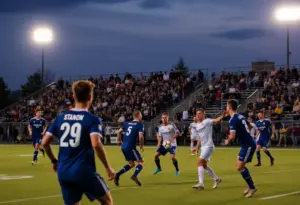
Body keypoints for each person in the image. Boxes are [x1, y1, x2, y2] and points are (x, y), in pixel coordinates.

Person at [42, 80, 115, 205]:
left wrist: (54, 161)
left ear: (73, 96)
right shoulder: (92, 119)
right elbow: (96, 144)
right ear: (90, 97)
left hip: (63, 171)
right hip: (83, 171)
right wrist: (107, 167)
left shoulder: (60, 117)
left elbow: (44, 143)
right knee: (107, 202)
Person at [225, 99, 257, 198]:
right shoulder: (241, 116)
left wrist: (228, 140)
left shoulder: (233, 119)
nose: (226, 108)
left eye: (226, 106)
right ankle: (250, 185)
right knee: (239, 165)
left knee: (240, 167)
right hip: (246, 144)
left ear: (229, 108)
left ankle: (252, 187)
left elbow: (233, 136)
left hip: (248, 145)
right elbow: (250, 127)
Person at [192, 109, 224, 190]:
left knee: (199, 162)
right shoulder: (197, 125)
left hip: (209, 146)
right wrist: (196, 147)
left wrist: (223, 115)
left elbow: (216, 121)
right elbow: (200, 137)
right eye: (197, 114)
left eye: (199, 114)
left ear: (203, 114)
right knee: (204, 165)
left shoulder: (207, 121)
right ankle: (217, 179)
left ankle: (201, 183)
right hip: (203, 147)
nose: (198, 115)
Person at [114, 111, 144, 187]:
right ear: (138, 116)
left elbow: (118, 132)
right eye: (141, 115)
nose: (141, 116)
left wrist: (119, 141)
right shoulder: (140, 125)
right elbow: (141, 136)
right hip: (131, 147)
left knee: (131, 164)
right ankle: (134, 176)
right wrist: (141, 145)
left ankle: (117, 175)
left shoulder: (127, 123)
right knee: (141, 162)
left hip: (123, 147)